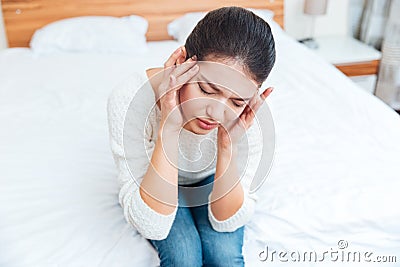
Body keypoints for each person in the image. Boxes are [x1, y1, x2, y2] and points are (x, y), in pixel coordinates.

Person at [107, 6, 275, 267]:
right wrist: (170, 125)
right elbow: (152, 225)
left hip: (211, 178)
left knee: (225, 259)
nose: (216, 112)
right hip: (159, 175)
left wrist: (227, 146)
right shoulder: (130, 99)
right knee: (184, 257)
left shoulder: (246, 115)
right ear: (182, 60)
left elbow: (228, 220)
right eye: (207, 90)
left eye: (237, 100)